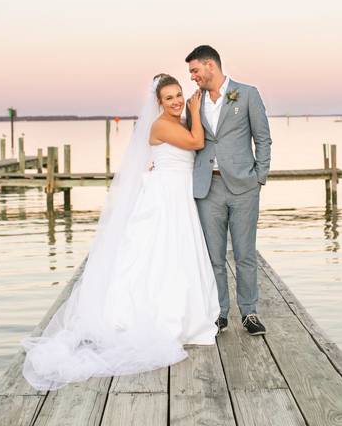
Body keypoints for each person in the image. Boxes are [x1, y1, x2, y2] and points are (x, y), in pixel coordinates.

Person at [20, 74, 219, 390]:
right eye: (169, 98)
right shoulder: (162, 125)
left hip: (177, 193)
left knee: (175, 254)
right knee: (158, 254)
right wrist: (195, 110)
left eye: (179, 94)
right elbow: (196, 143)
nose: (177, 101)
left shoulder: (176, 122)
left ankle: (186, 310)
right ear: (158, 102)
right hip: (166, 197)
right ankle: (150, 315)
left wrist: (190, 115)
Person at [186, 45, 272, 336]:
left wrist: (259, 176)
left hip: (243, 187)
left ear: (210, 65)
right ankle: (219, 312)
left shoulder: (247, 94)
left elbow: (263, 138)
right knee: (214, 255)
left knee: (245, 253)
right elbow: (190, 139)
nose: (193, 77)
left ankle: (249, 313)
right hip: (207, 188)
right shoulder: (193, 102)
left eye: (195, 71)